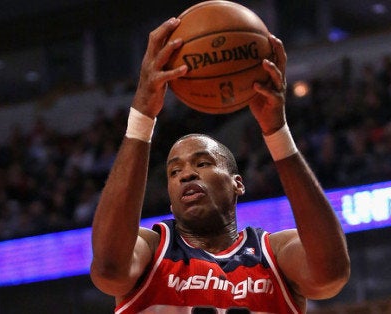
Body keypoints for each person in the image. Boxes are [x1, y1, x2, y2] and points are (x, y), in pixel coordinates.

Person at [90, 17, 350, 314]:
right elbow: (109, 268)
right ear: (171, 204)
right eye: (174, 172)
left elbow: (331, 274)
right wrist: (142, 115)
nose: (186, 174)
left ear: (238, 183)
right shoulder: (151, 250)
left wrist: (277, 132)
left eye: (202, 163)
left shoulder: (274, 253)